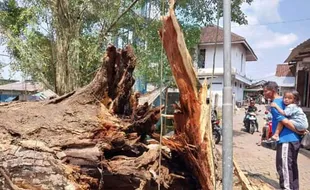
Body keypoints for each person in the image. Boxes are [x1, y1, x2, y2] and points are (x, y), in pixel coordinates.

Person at [263, 81, 301, 189]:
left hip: (286, 139)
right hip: (294, 140)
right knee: (292, 166)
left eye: (266, 91)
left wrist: (298, 130)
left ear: (273, 91)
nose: (264, 93)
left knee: (284, 166)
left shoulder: (275, 104)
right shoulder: (285, 101)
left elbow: (285, 121)